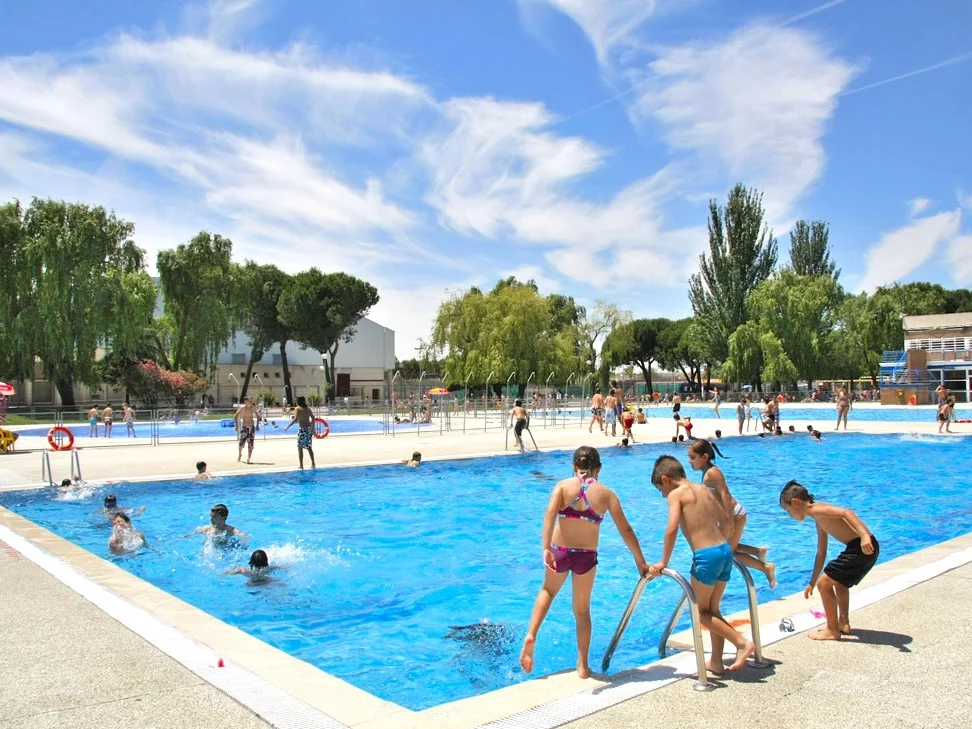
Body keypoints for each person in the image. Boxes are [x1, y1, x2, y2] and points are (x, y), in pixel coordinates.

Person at [520, 446, 649, 679]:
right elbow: (626, 530)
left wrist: (545, 548)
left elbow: (549, 515)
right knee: (581, 610)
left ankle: (532, 634)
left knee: (548, 591)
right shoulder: (606, 494)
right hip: (586, 556)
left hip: (559, 551)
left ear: (573, 466)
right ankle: (582, 665)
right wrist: (640, 560)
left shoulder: (562, 486)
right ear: (598, 468)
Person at [647, 455, 756, 673]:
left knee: (700, 612)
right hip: (724, 551)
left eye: (661, 490)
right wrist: (722, 546)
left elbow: (671, 529)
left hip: (706, 556)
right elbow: (726, 520)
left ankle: (742, 643)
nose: (663, 495)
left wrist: (663, 562)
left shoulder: (676, 495)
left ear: (666, 480)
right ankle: (716, 662)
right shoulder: (703, 489)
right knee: (713, 609)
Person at [779, 480, 879, 640]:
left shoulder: (818, 509)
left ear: (795, 503)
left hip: (861, 546)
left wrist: (863, 535)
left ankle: (832, 630)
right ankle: (843, 623)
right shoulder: (819, 521)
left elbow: (847, 513)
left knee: (824, 584)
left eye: (787, 510)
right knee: (839, 583)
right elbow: (821, 552)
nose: (789, 515)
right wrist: (811, 581)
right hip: (860, 548)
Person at [687, 440, 776, 587]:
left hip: (735, 515)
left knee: (729, 553)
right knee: (725, 547)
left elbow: (725, 495)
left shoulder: (712, 473)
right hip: (730, 516)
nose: (689, 461)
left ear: (704, 456)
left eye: (692, 457)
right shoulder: (706, 472)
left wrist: (729, 521)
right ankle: (757, 551)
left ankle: (765, 567)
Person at [284, 395, 317, 469]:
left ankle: (301, 465)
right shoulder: (308, 409)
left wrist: (288, 426)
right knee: (309, 447)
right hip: (308, 429)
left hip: (302, 430)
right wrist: (313, 429)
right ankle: (313, 464)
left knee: (300, 447)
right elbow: (313, 418)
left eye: (296, 400)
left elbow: (295, 419)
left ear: (298, 401)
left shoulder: (297, 409)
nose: (295, 401)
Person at [234, 396, 258, 463]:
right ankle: (239, 455)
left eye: (251, 401)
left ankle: (248, 459)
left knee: (251, 443)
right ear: (246, 402)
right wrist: (236, 426)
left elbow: (258, 417)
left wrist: (257, 425)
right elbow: (235, 416)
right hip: (244, 427)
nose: (251, 402)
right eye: (249, 401)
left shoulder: (253, 408)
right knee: (241, 443)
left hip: (251, 427)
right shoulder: (242, 409)